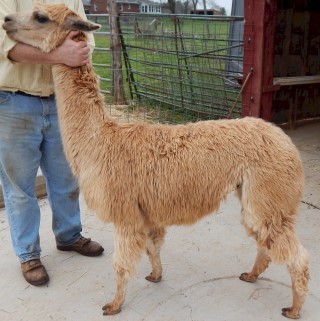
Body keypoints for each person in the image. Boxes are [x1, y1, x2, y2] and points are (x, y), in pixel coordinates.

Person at [0, 0, 104, 286]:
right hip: (14, 100)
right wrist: (60, 53)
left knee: (66, 177)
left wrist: (73, 51)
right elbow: (5, 43)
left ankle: (69, 235)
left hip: (62, 101)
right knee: (19, 185)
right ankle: (28, 253)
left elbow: (85, 43)